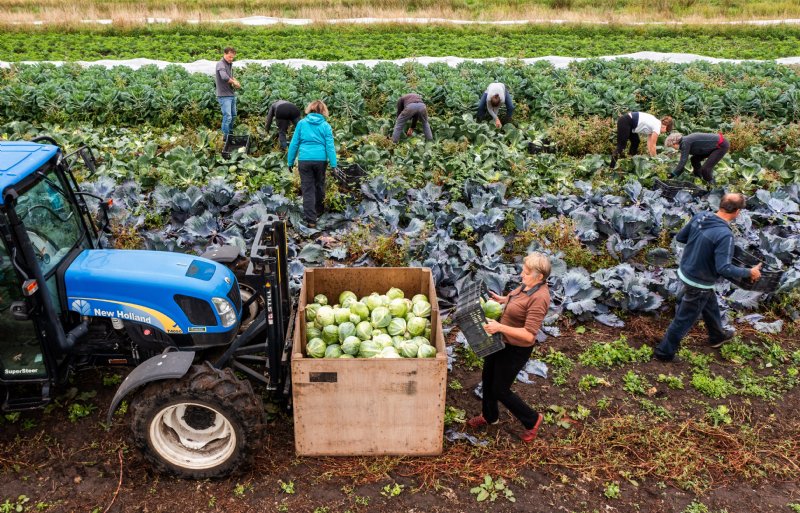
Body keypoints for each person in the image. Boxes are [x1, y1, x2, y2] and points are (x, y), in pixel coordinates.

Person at [654, 193, 761, 362]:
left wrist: (700, 248)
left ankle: (717, 336)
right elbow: (724, 268)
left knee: (709, 303)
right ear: (737, 212)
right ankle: (664, 353)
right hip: (699, 282)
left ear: (721, 205)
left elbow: (681, 237)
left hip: (686, 270)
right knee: (684, 319)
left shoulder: (701, 216)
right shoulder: (725, 235)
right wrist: (749, 272)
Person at [467, 252, 552, 442]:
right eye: (523, 270)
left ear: (540, 277)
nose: (522, 275)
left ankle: (532, 419)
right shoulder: (528, 285)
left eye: (526, 272)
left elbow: (530, 334)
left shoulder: (540, 298)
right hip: (500, 341)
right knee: (487, 378)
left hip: (515, 349)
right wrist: (502, 300)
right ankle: (490, 417)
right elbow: (516, 300)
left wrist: (499, 326)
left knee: (500, 389)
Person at [287, 100, 337, 228]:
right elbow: (330, 146)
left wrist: (290, 161)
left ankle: (311, 220)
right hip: (320, 160)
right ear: (323, 111)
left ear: (310, 110)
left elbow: (294, 143)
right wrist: (334, 164)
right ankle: (319, 211)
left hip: (305, 159)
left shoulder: (302, 124)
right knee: (319, 185)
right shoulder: (325, 125)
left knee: (307, 189)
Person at [666, 132, 730, 184]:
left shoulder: (685, 142)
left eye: (672, 146)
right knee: (694, 159)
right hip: (711, 147)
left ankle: (712, 188)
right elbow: (683, 162)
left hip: (721, 146)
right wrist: (678, 172)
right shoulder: (685, 141)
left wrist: (673, 174)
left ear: (674, 143)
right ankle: (699, 178)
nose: (673, 148)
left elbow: (683, 160)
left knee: (706, 169)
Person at [215, 47, 241, 138]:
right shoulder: (220, 64)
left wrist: (236, 81)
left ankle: (230, 134)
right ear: (225, 54)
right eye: (229, 57)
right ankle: (225, 138)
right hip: (224, 95)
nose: (231, 59)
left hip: (231, 94)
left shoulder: (229, 65)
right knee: (228, 117)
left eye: (232, 57)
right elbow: (224, 77)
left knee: (233, 115)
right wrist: (233, 82)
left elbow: (230, 77)